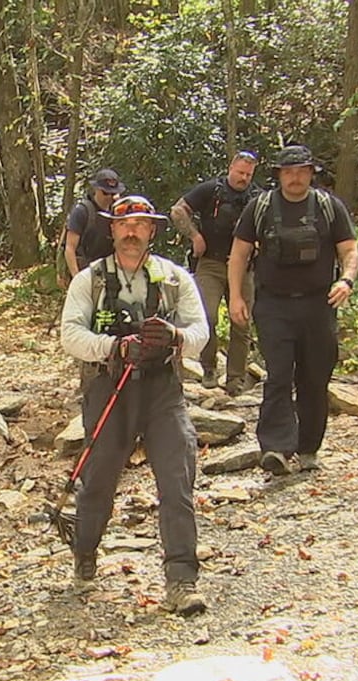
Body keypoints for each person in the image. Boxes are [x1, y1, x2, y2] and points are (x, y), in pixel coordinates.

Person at [59, 194, 211, 616]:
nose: (131, 233)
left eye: (140, 225)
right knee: (99, 480)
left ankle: (182, 580)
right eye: (124, 225)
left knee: (177, 479)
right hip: (109, 390)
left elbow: (201, 332)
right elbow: (70, 335)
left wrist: (176, 338)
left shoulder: (175, 278)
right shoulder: (88, 280)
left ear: (152, 231)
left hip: (163, 392)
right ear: (111, 230)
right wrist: (113, 346)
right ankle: (84, 555)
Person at [226, 144, 358, 475]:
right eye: (289, 171)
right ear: (279, 175)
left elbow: (350, 250)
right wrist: (235, 297)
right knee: (279, 375)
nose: (295, 177)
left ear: (311, 173)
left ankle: (309, 447)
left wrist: (346, 280)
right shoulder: (260, 207)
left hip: (319, 304)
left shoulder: (329, 207)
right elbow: (239, 254)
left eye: (302, 171)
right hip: (273, 304)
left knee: (314, 378)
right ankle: (275, 448)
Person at [170, 151, 263, 392]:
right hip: (211, 263)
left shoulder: (258, 198)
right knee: (206, 317)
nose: (243, 178)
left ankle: (236, 378)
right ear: (231, 168)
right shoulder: (212, 190)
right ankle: (209, 367)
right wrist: (194, 235)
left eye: (248, 174)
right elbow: (178, 210)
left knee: (241, 323)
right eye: (240, 172)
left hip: (244, 268)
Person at [59, 169, 126, 288]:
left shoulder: (116, 212)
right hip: (85, 271)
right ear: (96, 189)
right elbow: (70, 248)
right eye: (105, 193)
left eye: (113, 193)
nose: (109, 197)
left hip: (109, 272)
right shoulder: (82, 211)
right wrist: (76, 278)